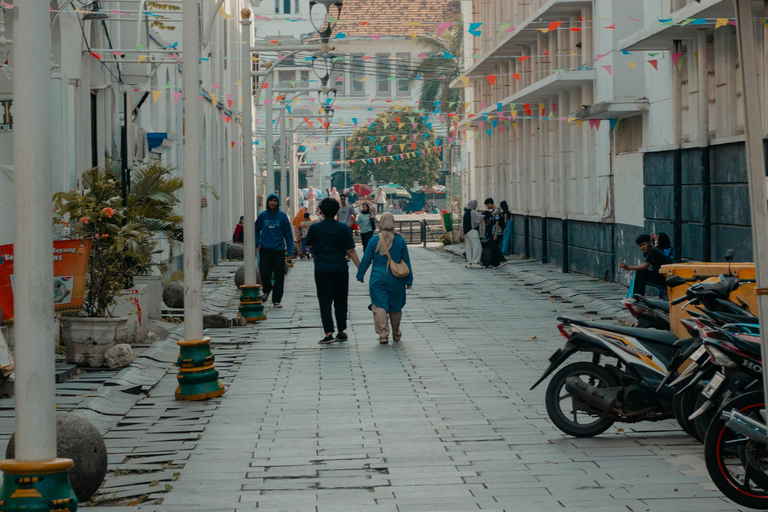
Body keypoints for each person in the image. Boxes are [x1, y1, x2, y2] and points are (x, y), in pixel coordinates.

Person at [306, 198, 360, 344]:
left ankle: (328, 333)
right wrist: (360, 269)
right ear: (337, 211)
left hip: (322, 268)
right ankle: (341, 331)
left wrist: (317, 251)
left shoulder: (315, 228)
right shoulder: (343, 228)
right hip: (340, 268)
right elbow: (351, 250)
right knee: (341, 300)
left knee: (324, 301)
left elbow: (309, 243)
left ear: (322, 212)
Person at [356, 213, 413, 344]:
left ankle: (383, 335)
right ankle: (396, 332)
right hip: (396, 279)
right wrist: (409, 280)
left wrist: (360, 275)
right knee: (396, 306)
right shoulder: (400, 240)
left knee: (379, 305)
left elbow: (366, 260)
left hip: (378, 278)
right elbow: (406, 261)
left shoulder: (374, 240)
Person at [254, 193, 293, 308]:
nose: (273, 203)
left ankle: (276, 300)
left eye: (275, 201)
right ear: (267, 202)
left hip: (279, 250)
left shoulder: (282, 216)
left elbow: (288, 234)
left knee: (279, 276)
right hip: (265, 250)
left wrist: (290, 250)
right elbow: (255, 230)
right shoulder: (262, 216)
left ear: (278, 203)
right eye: (271, 200)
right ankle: (267, 289)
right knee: (264, 274)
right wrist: (257, 244)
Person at [483, 198, 507, 267]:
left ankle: (502, 259)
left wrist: (495, 234)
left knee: (494, 247)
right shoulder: (494, 211)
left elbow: (497, 222)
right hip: (494, 232)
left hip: (497, 232)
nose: (487, 206)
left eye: (487, 205)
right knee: (493, 247)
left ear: (490, 204)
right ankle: (495, 262)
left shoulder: (496, 211)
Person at [463, 200, 483, 267]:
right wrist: (491, 214)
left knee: (469, 247)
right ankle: (475, 262)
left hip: (466, 231)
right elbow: (479, 218)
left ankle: (470, 262)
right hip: (472, 230)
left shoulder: (466, 212)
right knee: (477, 246)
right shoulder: (473, 212)